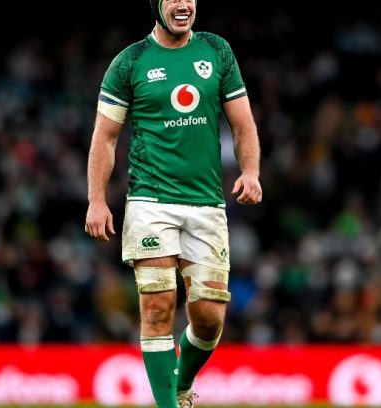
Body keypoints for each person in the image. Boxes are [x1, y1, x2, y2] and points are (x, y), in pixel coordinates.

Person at [85, 0, 262, 407]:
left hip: (206, 204)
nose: (183, 5)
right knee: (158, 306)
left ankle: (181, 384)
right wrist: (97, 199)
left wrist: (250, 172)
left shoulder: (217, 51)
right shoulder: (130, 62)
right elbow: (105, 138)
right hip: (151, 201)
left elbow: (242, 124)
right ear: (156, 5)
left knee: (209, 318)